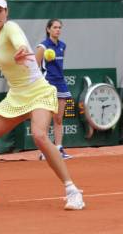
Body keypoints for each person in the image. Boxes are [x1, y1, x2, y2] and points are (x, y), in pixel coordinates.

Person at [0, 0, 85, 210]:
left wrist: (22, 50)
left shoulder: (11, 27)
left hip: (38, 92)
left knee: (39, 135)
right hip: (16, 97)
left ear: (6, 12)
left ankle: (73, 191)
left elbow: (19, 41)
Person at [36, 19, 72, 160]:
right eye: (55, 27)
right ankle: (45, 151)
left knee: (58, 118)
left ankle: (58, 148)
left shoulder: (63, 46)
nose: (57, 30)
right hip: (47, 85)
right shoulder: (43, 47)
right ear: (48, 29)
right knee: (46, 119)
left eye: (59, 27)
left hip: (61, 83)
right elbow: (35, 65)